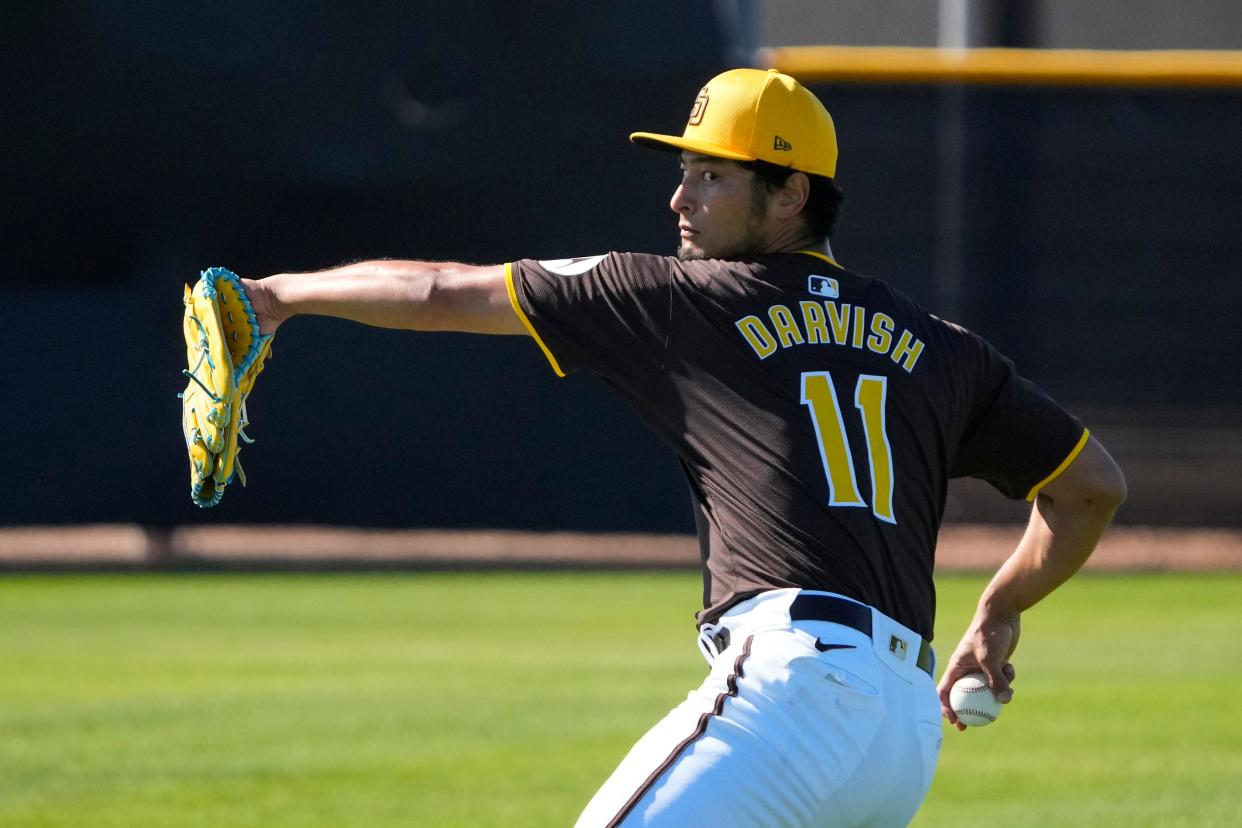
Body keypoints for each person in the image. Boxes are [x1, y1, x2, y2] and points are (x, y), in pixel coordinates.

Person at [242, 68, 1126, 827]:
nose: (679, 198)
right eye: (683, 171)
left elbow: (441, 290)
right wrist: (1002, 609)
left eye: (711, 175)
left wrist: (274, 296)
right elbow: (1091, 488)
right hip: (903, 736)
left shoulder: (688, 302)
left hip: (794, 693)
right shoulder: (941, 344)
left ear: (790, 193)